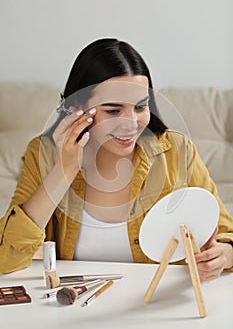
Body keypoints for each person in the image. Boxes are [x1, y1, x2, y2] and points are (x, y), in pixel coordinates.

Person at [0, 38, 233, 280]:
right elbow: (7, 257)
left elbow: (227, 236)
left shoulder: (176, 150)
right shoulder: (44, 154)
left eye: (140, 107)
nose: (131, 124)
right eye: (113, 110)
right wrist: (65, 169)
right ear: (76, 107)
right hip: (77, 307)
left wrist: (221, 256)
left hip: (156, 306)